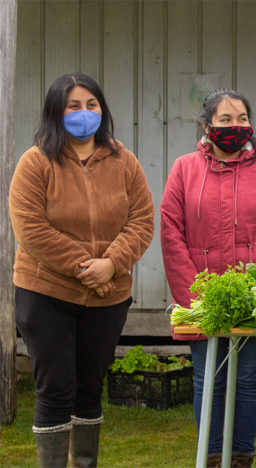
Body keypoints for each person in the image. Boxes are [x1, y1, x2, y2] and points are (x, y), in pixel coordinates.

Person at [9, 72, 154, 467]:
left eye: (91, 104)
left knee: (90, 389)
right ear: (55, 111)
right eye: (73, 105)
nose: (84, 113)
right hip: (46, 293)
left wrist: (111, 264)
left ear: (102, 110)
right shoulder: (35, 162)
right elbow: (30, 227)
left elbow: (142, 220)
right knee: (55, 389)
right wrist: (83, 266)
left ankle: (84, 463)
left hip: (108, 294)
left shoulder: (124, 161)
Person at [160, 89, 256, 468]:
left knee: (248, 379)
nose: (235, 126)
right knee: (209, 379)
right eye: (225, 120)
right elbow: (172, 234)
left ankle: (240, 456)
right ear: (207, 126)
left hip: (252, 295)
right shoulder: (184, 169)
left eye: (242, 118)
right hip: (202, 297)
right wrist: (194, 295)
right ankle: (211, 452)